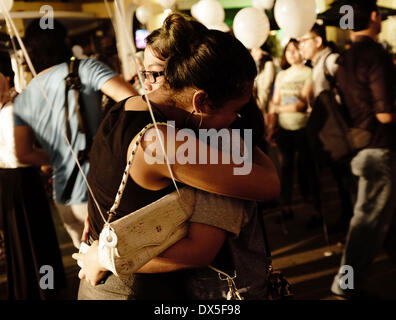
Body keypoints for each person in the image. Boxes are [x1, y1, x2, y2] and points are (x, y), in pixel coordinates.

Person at [72, 13, 280, 300]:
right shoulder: (164, 144)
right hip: (131, 289)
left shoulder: (128, 107)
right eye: (235, 111)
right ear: (201, 101)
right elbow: (268, 183)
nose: (235, 121)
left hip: (104, 283)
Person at [13, 19, 138, 249]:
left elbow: (23, 153)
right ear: (64, 42)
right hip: (100, 188)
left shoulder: (25, 96)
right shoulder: (85, 68)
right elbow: (135, 102)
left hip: (64, 197)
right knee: (121, 263)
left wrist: (59, 158)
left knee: (88, 264)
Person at [330, 0, 396, 298]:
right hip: (380, 147)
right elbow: (385, 114)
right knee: (367, 222)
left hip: (358, 147)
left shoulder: (344, 58)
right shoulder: (375, 55)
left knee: (379, 218)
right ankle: (345, 284)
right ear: (373, 16)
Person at [0, 64, 66, 299]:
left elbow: (23, 151)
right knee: (25, 235)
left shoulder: (15, 107)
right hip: (13, 180)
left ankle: (37, 288)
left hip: (19, 179)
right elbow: (19, 152)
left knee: (29, 235)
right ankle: (34, 289)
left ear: (7, 78)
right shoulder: (8, 109)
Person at [299, 23, 356, 232]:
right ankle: (348, 219)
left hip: (341, 131)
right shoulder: (317, 64)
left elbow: (350, 90)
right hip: (331, 132)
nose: (300, 46)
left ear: (318, 41)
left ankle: (354, 223)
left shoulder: (331, 60)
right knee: (341, 179)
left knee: (347, 179)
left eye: (304, 41)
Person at [267, 39, 321, 227]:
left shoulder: (309, 73)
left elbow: (301, 105)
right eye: (288, 50)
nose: (292, 53)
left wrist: (279, 108)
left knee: (307, 168)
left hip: (304, 128)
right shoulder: (282, 75)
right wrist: (271, 126)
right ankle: (286, 206)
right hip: (284, 129)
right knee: (286, 168)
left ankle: (315, 208)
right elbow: (273, 102)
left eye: (296, 49)